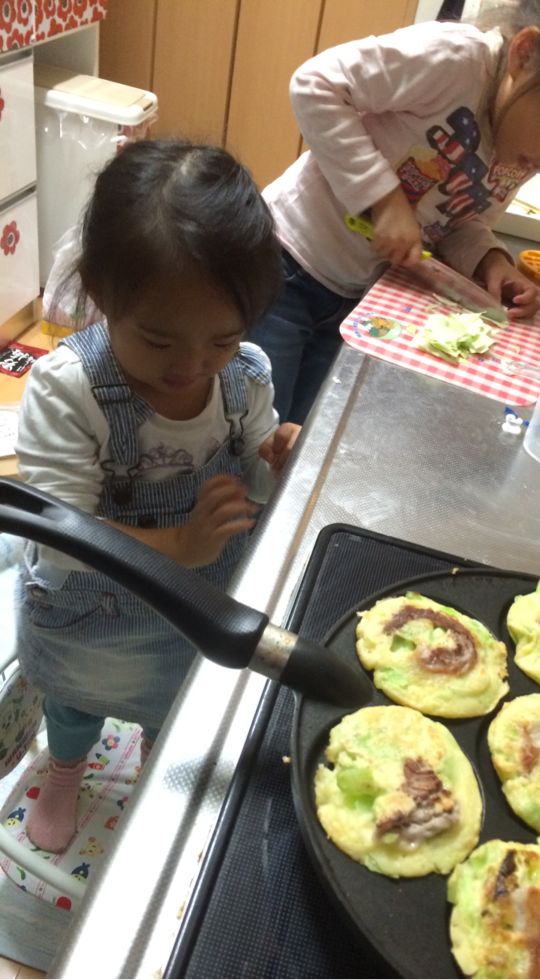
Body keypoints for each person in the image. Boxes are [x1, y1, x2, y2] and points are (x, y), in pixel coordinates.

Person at [14, 139, 299, 853]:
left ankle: (154, 767)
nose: (192, 366)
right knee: (76, 699)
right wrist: (176, 545)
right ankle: (65, 768)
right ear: (102, 293)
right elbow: (59, 533)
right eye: (159, 340)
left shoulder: (245, 378)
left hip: (191, 604)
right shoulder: (69, 390)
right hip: (88, 610)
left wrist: (278, 461)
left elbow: (252, 483)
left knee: (171, 701)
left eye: (222, 339)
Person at [250, 0, 540, 425]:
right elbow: (315, 85)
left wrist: (489, 260)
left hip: (358, 296)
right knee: (256, 429)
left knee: (303, 432)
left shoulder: (524, 147)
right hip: (287, 265)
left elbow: (454, 218)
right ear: (526, 54)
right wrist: (384, 199)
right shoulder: (453, 61)